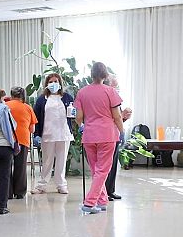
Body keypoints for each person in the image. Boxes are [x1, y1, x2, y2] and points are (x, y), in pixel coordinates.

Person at [74, 62, 124, 213]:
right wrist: (122, 132)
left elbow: (79, 118)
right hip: (107, 135)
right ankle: (89, 203)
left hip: (89, 135)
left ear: (91, 74)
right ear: (106, 75)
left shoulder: (82, 92)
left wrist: (85, 124)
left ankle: (102, 201)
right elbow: (117, 116)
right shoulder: (110, 92)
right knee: (103, 170)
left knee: (97, 170)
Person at [31, 73, 75, 195]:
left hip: (63, 133)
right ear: (46, 84)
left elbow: (73, 113)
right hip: (47, 134)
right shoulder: (41, 100)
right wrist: (37, 135)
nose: (53, 84)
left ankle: (61, 185)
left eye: (56, 81)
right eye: (50, 82)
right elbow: (36, 118)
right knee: (47, 161)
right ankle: (41, 186)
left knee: (62, 160)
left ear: (60, 83)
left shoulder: (67, 97)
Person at [6, 86, 37, 199]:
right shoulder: (28, 108)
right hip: (22, 140)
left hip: (7, 140)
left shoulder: (5, 106)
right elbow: (32, 129)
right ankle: (19, 192)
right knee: (21, 167)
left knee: (7, 166)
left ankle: (7, 192)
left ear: (11, 95)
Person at [104, 75, 132, 200]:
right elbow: (109, 118)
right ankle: (103, 191)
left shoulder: (115, 98)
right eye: (114, 85)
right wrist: (121, 116)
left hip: (116, 134)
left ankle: (110, 190)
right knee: (106, 165)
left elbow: (118, 119)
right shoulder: (104, 98)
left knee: (114, 164)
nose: (116, 88)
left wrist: (124, 117)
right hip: (107, 135)